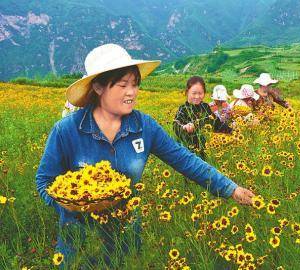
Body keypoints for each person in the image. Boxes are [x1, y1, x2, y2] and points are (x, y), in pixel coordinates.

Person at [36, 44, 254, 267]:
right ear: (99, 87)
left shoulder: (144, 126)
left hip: (126, 237)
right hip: (80, 243)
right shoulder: (67, 130)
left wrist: (230, 189)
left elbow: (185, 160)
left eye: (135, 84)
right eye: (122, 85)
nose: (131, 92)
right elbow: (44, 180)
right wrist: (68, 204)